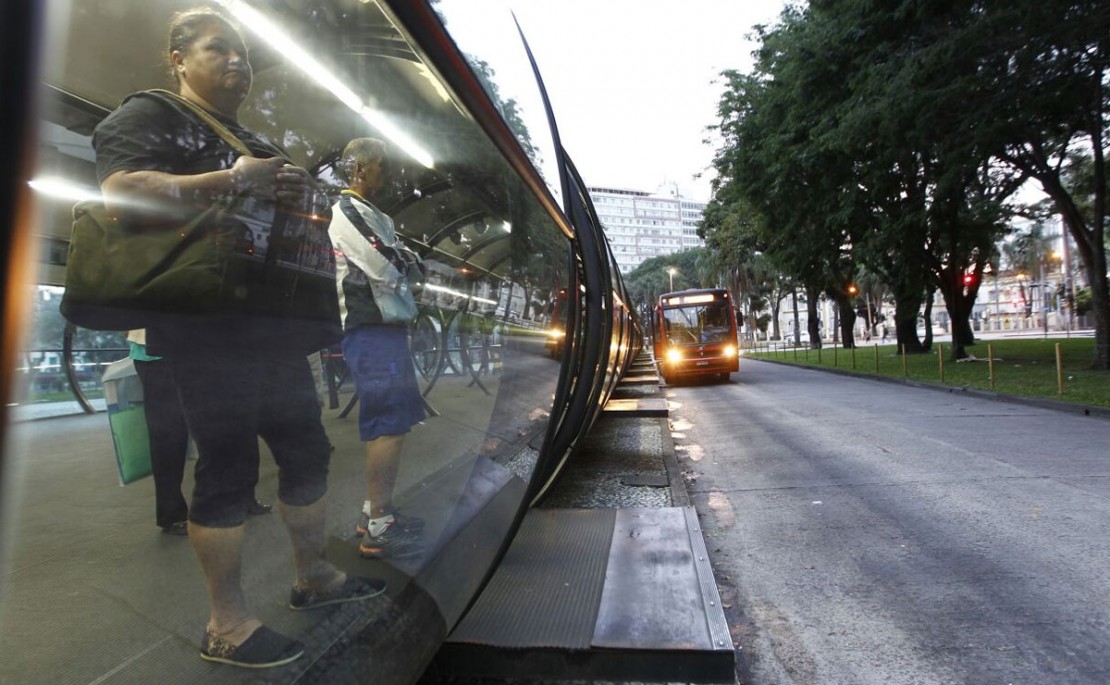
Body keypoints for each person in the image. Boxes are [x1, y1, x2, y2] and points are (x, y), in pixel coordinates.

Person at [93, 8, 382, 669]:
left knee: (307, 448)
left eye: (245, 55)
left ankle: (313, 576)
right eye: (218, 49)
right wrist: (236, 179)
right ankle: (227, 623)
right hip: (204, 327)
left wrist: (294, 188)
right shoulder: (151, 114)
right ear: (177, 59)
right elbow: (122, 194)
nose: (237, 63)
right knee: (227, 467)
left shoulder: (247, 133)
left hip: (268, 327)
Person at [328, 138, 426, 561]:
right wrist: (408, 262)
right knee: (386, 421)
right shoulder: (347, 209)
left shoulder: (376, 214)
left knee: (395, 420)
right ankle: (378, 527)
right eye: (382, 167)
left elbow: (404, 258)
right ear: (360, 168)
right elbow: (386, 262)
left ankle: (375, 512)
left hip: (385, 328)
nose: (387, 175)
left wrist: (407, 260)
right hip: (368, 328)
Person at [129, 328, 273, 537]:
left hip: (216, 344)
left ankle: (243, 495)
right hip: (157, 350)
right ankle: (171, 514)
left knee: (237, 420)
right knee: (169, 431)